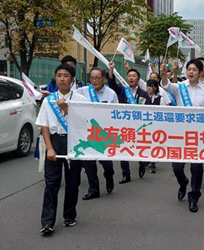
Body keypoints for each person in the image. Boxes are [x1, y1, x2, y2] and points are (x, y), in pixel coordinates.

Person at [36, 64, 86, 235]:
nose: (62, 79)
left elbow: (83, 125)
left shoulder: (81, 100)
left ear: (72, 79)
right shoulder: (48, 101)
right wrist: (49, 148)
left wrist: (65, 108)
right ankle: (47, 222)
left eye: (66, 76)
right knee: (51, 183)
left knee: (73, 182)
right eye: (59, 75)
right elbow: (44, 125)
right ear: (55, 78)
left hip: (74, 141)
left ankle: (69, 216)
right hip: (54, 141)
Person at [161, 59, 204, 213]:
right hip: (180, 134)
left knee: (197, 168)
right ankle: (183, 182)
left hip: (198, 135)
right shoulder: (179, 88)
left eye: (194, 69)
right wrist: (164, 75)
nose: (191, 72)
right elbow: (166, 86)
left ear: (200, 72)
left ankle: (194, 197)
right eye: (189, 69)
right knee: (177, 166)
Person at [76, 67, 119, 200]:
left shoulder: (110, 94)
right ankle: (93, 189)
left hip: (103, 134)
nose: (94, 80)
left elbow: (116, 113)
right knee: (89, 163)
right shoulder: (81, 92)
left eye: (97, 78)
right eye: (92, 77)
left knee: (105, 161)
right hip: (86, 133)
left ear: (104, 79)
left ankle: (109, 175)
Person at [107, 60, 152, 184]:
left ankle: (142, 164)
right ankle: (126, 174)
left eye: (134, 76)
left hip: (138, 126)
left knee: (138, 148)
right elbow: (111, 83)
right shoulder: (122, 89)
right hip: (123, 125)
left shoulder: (144, 94)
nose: (131, 78)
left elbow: (148, 109)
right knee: (123, 149)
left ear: (138, 79)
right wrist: (111, 69)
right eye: (129, 76)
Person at [145, 79, 167, 173]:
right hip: (146, 124)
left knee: (154, 143)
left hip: (156, 124)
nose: (148, 88)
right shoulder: (144, 98)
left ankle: (153, 163)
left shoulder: (160, 98)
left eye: (151, 86)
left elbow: (162, 110)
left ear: (155, 88)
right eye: (148, 86)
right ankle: (146, 160)